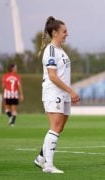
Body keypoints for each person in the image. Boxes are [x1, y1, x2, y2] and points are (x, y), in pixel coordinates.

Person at [33, 16, 80, 174]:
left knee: (60, 127)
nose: (67, 34)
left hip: (63, 94)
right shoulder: (51, 50)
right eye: (64, 31)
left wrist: (68, 92)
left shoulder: (60, 50)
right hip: (54, 93)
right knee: (56, 126)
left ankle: (40, 158)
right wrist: (71, 91)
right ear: (55, 33)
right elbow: (52, 76)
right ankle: (48, 165)